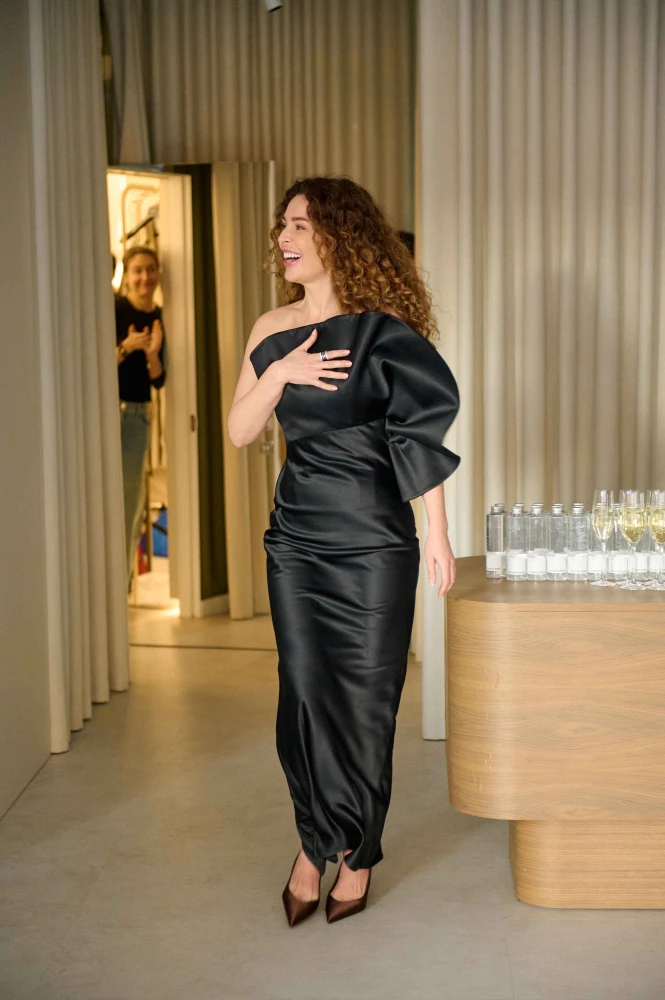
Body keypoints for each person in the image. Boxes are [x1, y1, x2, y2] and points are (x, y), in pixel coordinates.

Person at [228, 177, 460, 926]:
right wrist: (280, 373)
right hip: (297, 541)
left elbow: (414, 435)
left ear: (339, 235)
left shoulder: (382, 330)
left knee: (366, 699)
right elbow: (239, 431)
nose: (284, 238)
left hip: (375, 542)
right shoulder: (271, 328)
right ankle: (311, 842)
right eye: (283, 225)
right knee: (303, 692)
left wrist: (437, 532)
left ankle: (356, 851)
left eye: (300, 225)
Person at [115, 246, 167, 590]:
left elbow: (159, 379)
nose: (144, 277)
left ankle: (123, 585)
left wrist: (151, 354)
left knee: (132, 506)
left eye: (150, 269)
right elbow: (94, 368)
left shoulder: (161, 317)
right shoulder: (114, 309)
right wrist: (126, 347)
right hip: (108, 412)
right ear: (127, 275)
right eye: (137, 270)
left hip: (138, 416)